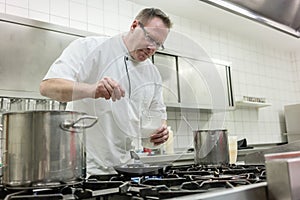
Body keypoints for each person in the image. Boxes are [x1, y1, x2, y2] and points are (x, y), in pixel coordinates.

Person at [40, 8, 172, 175]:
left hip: (126, 171)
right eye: (150, 38)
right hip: (84, 170)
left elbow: (157, 121)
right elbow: (48, 87)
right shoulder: (91, 47)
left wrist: (159, 133)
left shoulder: (152, 74)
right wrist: (92, 89)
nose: (151, 48)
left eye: (158, 44)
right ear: (134, 26)